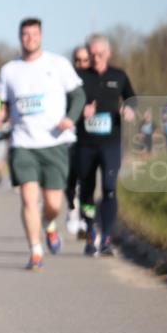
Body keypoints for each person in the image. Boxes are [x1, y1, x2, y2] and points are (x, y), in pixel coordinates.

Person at [0, 18, 86, 270]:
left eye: (34, 34)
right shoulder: (9, 70)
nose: (30, 38)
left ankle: (50, 225)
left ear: (41, 36)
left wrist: (71, 117)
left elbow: (78, 95)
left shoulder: (58, 64)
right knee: (27, 199)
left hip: (54, 142)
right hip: (23, 144)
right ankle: (35, 250)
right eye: (25, 34)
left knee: (53, 204)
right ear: (19, 37)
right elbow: (1, 103)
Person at [75, 34, 136, 257]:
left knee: (110, 188)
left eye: (100, 54)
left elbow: (132, 98)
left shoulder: (118, 76)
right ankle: (91, 231)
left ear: (108, 54)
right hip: (85, 144)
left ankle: (107, 238)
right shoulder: (78, 77)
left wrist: (129, 109)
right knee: (87, 191)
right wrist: (81, 111)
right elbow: (64, 104)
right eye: (92, 55)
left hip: (110, 143)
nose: (96, 58)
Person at [65, 45, 92, 238]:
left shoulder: (94, 81)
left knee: (86, 181)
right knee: (69, 181)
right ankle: (71, 211)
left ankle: (84, 218)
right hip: (68, 138)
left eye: (85, 60)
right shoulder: (66, 81)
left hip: (88, 139)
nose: (81, 64)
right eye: (78, 60)